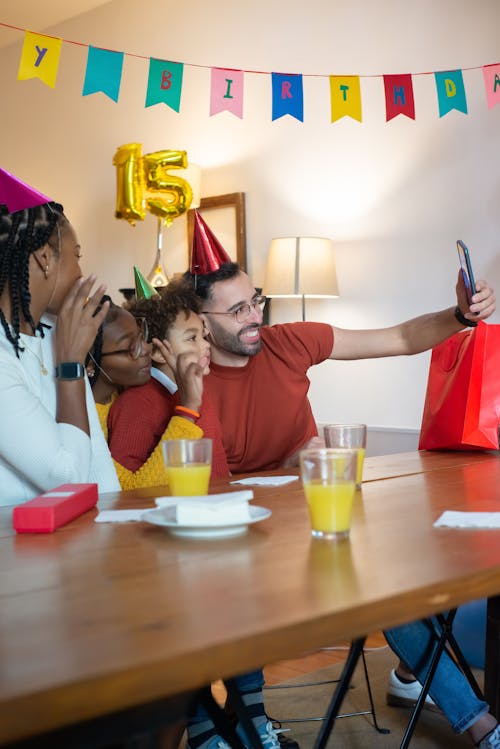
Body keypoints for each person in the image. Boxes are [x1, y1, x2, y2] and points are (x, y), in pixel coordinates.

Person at [184, 210, 499, 748]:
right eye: (236, 310)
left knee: (388, 580)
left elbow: (399, 337)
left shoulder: (289, 342)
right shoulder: (190, 375)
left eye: (255, 299)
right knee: (231, 582)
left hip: (319, 521)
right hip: (241, 539)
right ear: (200, 320)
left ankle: (476, 722)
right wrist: (288, 467)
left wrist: (459, 315)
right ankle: (250, 727)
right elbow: (199, 484)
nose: (255, 315)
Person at [0, 169, 119, 507]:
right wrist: (69, 366)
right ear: (44, 258)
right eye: (76, 255)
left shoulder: (55, 334)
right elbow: (66, 480)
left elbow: (96, 464)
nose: (82, 270)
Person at [86, 293, 214, 489]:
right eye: (130, 348)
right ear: (91, 364)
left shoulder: (122, 395)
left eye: (142, 337)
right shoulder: (87, 421)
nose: (146, 349)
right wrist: (187, 410)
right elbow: (129, 492)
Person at [107, 278, 229, 480]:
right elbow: (126, 486)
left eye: (203, 336)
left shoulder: (196, 391)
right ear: (157, 351)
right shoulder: (137, 403)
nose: (206, 346)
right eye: (192, 338)